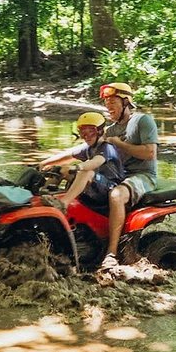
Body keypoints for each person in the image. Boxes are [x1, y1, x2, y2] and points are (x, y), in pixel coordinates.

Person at [99, 82, 158, 270]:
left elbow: (150, 153)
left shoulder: (142, 121)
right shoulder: (110, 130)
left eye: (112, 102)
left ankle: (111, 253)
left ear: (126, 102)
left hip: (142, 175)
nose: (108, 106)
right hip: (118, 175)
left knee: (116, 195)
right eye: (106, 102)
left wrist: (119, 144)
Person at [38, 112, 124, 212]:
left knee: (86, 172)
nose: (86, 136)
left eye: (90, 132)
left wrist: (76, 167)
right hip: (95, 185)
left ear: (99, 131)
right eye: (83, 133)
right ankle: (44, 193)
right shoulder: (89, 148)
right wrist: (44, 163)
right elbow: (67, 155)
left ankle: (63, 204)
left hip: (110, 188)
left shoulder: (107, 147)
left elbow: (96, 162)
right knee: (60, 169)